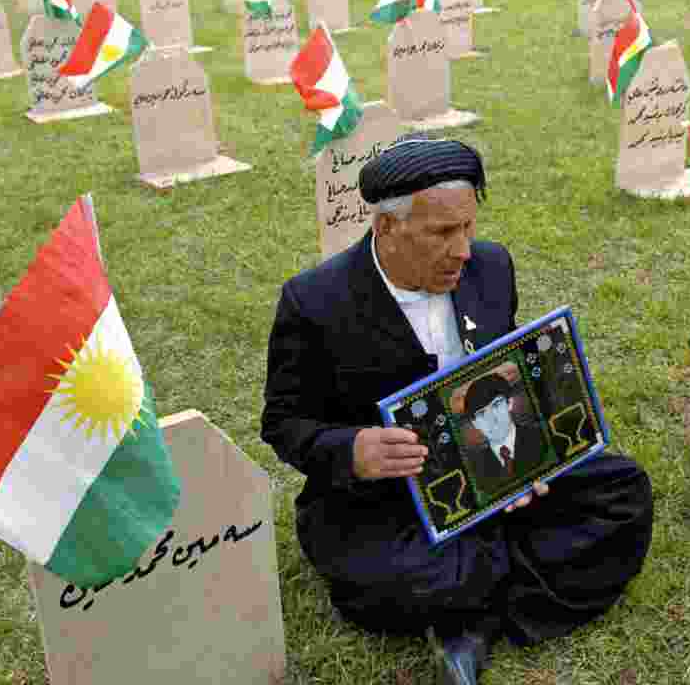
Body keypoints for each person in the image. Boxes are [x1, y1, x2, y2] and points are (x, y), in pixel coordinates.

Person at [261, 137, 653, 685]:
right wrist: (351, 450)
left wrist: (529, 458)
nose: (464, 250)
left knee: (624, 493)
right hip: (385, 499)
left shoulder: (492, 267)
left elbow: (509, 372)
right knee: (391, 582)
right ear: (386, 228)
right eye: (443, 233)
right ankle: (480, 587)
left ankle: (470, 617)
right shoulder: (314, 301)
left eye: (468, 226)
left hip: (493, 470)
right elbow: (283, 422)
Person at [462, 373, 548, 496]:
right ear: (475, 423)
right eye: (481, 413)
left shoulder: (541, 436)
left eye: (496, 405)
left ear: (510, 403)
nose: (491, 419)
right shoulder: (475, 470)